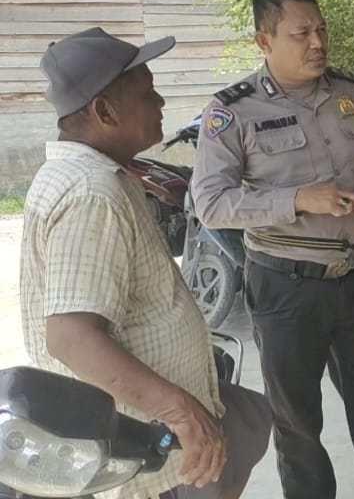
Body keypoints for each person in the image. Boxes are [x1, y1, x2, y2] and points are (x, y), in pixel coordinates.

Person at [190, 0, 354, 499]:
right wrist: (298, 199)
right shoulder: (233, 112)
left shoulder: (348, 94)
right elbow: (212, 203)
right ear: (265, 40)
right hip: (284, 284)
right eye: (301, 34)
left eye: (321, 30)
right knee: (296, 421)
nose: (317, 42)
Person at [20, 27, 272, 499]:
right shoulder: (92, 193)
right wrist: (182, 414)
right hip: (145, 445)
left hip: (150, 429)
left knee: (250, 418)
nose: (160, 102)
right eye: (148, 92)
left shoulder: (83, 175)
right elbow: (71, 337)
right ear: (105, 111)